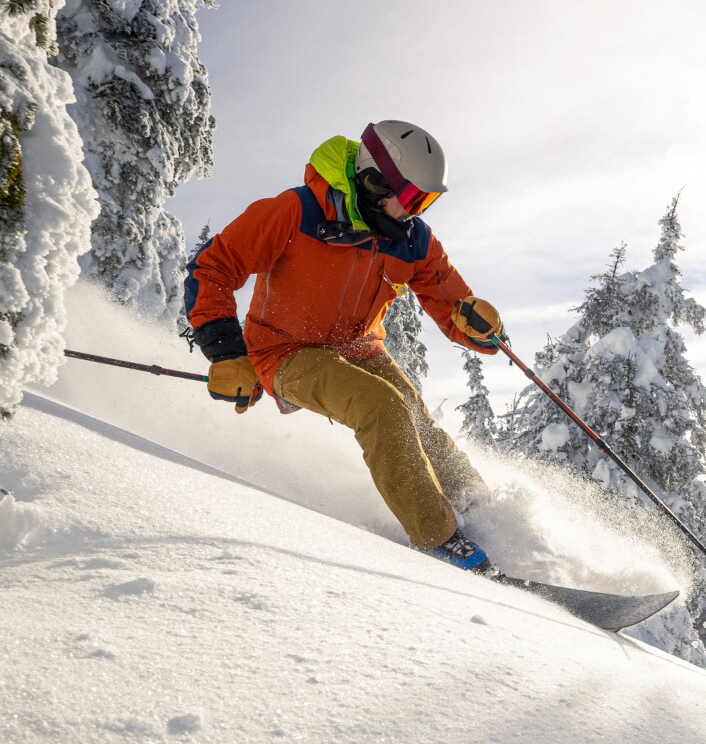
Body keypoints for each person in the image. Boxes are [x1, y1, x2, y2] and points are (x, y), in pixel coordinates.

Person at [182, 121, 506, 570]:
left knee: (415, 414)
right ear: (373, 182)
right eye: (411, 198)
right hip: (283, 350)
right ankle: (441, 541)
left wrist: (481, 328)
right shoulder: (296, 212)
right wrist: (226, 353)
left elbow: (453, 304)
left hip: (359, 345)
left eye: (425, 202)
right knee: (382, 406)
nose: (415, 213)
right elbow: (212, 269)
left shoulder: (412, 239)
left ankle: (484, 513)